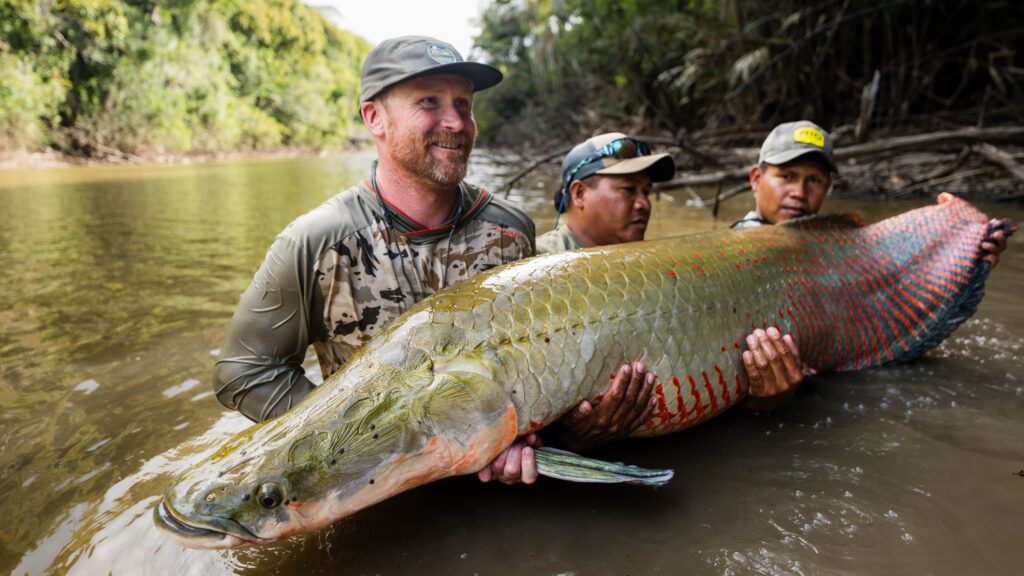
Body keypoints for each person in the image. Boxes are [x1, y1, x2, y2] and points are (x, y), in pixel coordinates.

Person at [213, 36, 650, 486]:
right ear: (374, 117)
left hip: (491, 487)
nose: (456, 122)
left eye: (464, 104)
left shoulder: (511, 230)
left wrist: (550, 435)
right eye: (429, 103)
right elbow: (243, 371)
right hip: (377, 488)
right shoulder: (314, 242)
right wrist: (348, 446)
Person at [732, 120, 1015, 408]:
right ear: (756, 178)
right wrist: (763, 402)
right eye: (787, 176)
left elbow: (892, 314)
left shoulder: (836, 251)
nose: (799, 191)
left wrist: (969, 265)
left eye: (814, 180)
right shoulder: (733, 255)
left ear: (827, 186)